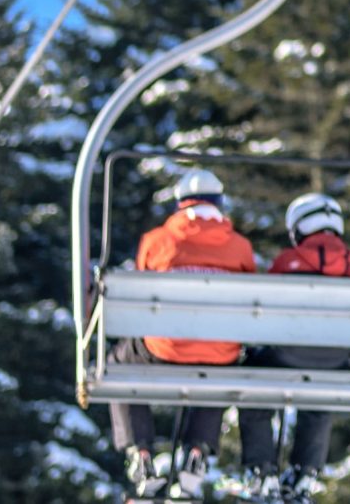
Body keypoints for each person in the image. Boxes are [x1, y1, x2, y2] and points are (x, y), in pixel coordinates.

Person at [108, 167, 258, 499]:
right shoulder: (239, 247)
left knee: (119, 364)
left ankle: (140, 451)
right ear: (219, 203)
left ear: (180, 204)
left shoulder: (157, 240)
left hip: (166, 347)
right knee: (219, 362)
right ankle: (198, 451)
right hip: (220, 352)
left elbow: (141, 292)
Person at [239, 193, 350, 501]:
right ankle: (305, 472)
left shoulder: (289, 260)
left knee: (254, 385)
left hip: (288, 354)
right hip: (335, 357)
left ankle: (262, 470)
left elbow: (264, 310)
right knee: (321, 391)